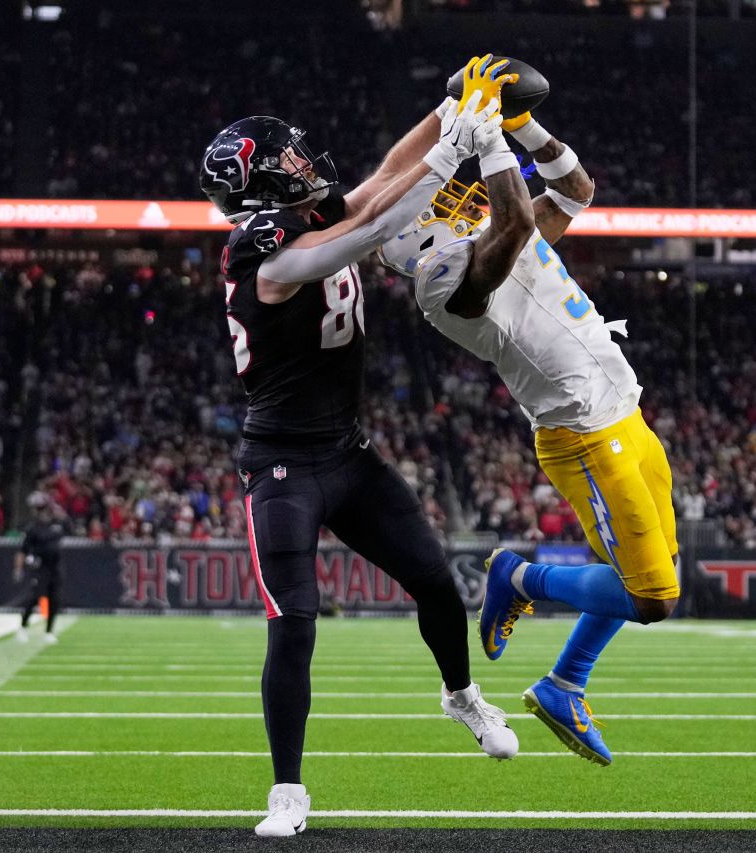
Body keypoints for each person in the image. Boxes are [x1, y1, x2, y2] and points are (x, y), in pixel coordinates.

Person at [199, 59, 519, 837]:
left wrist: (452, 106)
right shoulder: (262, 248)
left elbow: (379, 184)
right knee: (297, 623)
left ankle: (460, 694)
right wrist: (453, 153)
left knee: (438, 583)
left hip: (348, 451)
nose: (305, 163)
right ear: (259, 189)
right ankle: (286, 789)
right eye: (288, 162)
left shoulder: (305, 215)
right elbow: (376, 227)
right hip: (282, 464)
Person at [380, 97, 679, 767]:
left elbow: (575, 189)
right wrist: (488, 140)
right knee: (653, 596)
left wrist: (523, 126)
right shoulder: (440, 280)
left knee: (658, 566)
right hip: (583, 437)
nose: (449, 198)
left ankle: (564, 683)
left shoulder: (497, 235)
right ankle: (519, 578)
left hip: (624, 413)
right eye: (435, 203)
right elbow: (513, 218)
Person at [14, 491, 66, 643]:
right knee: (34, 598)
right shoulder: (32, 528)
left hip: (56, 567)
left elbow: (69, 526)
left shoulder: (57, 524)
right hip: (41, 568)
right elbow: (23, 550)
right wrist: (18, 568)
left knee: (55, 600)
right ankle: (23, 627)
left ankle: (49, 631)